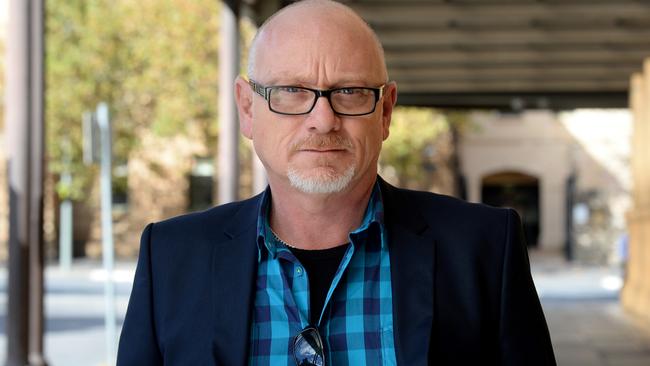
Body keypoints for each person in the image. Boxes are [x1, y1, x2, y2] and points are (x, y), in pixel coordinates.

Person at [117, 1, 556, 365]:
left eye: (349, 92)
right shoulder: (171, 257)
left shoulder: (483, 249)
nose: (322, 120)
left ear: (385, 112)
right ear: (248, 109)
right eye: (291, 90)